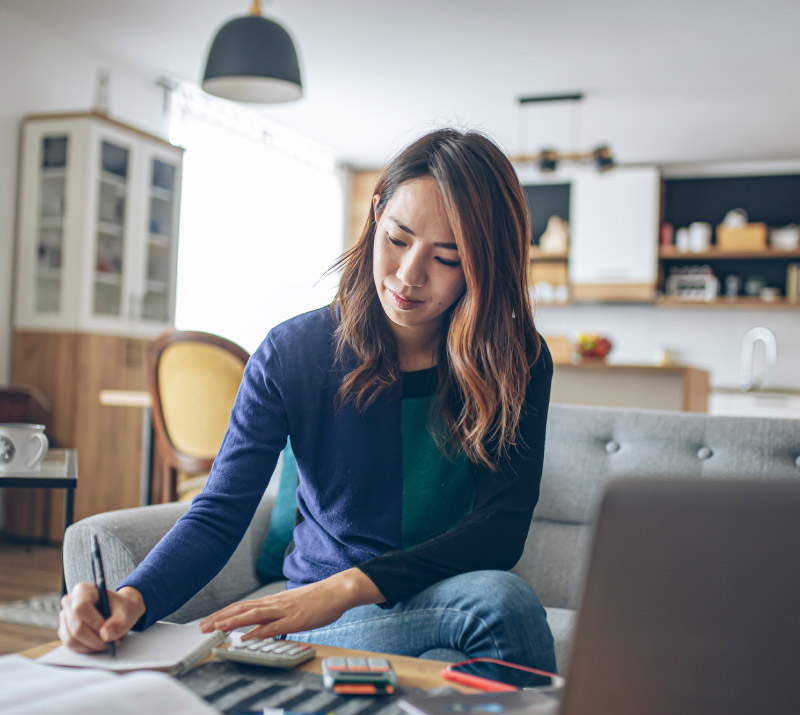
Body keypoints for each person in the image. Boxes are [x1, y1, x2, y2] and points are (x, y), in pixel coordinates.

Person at [58, 128, 556, 671]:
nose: (409, 276)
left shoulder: (516, 359)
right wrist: (130, 600)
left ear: (485, 265)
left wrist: (345, 586)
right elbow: (220, 512)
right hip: (329, 617)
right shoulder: (293, 353)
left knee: (493, 606)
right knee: (498, 611)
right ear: (374, 214)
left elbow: (500, 530)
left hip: (431, 594)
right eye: (397, 239)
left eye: (448, 258)